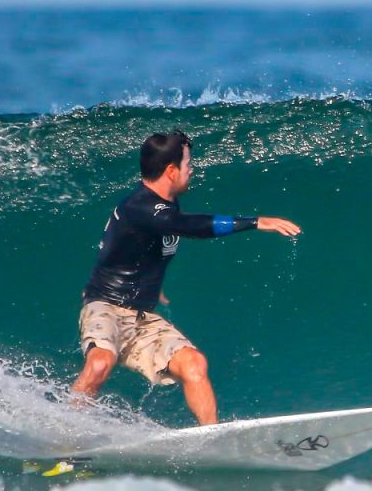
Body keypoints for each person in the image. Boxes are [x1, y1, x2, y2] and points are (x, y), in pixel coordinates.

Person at [72, 130, 301, 425]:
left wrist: (154, 284)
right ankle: (65, 442)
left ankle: (213, 437)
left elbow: (132, 248)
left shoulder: (163, 204)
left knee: (194, 363)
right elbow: (190, 226)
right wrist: (255, 222)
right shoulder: (141, 206)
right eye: (188, 163)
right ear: (171, 170)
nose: (192, 169)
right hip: (105, 305)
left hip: (142, 315)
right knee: (101, 361)